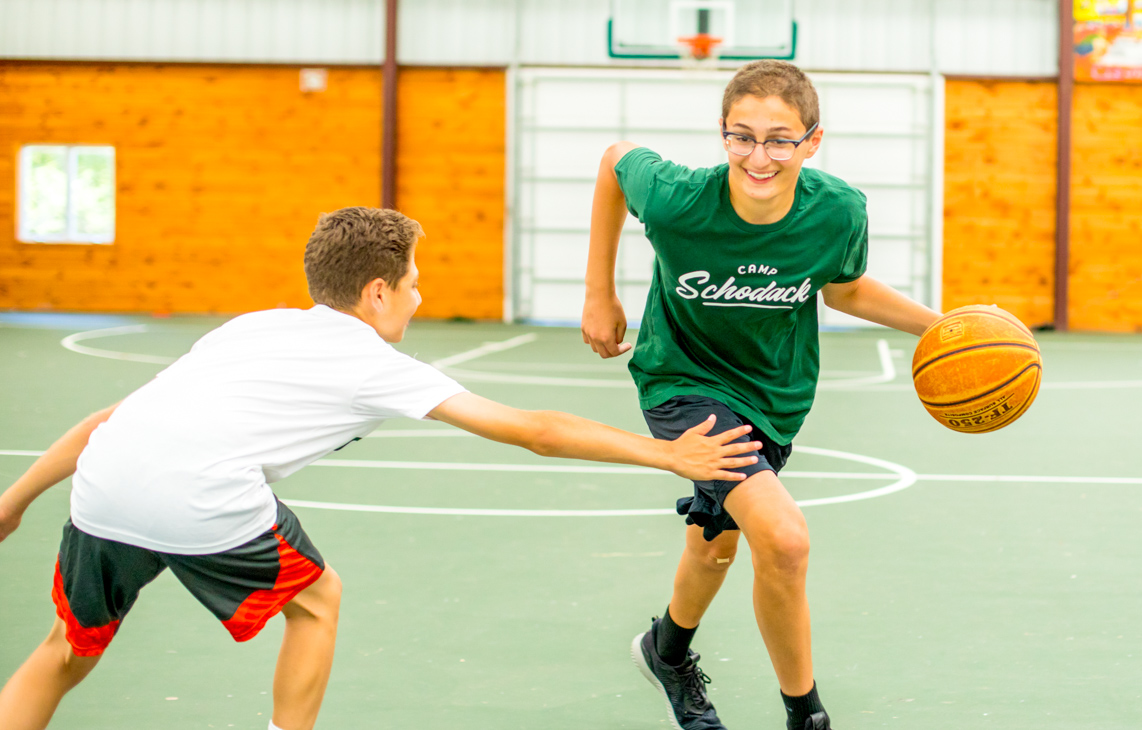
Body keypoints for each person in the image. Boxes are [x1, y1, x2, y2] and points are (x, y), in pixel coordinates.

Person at [0, 206, 762, 730]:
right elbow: (531, 430)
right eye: (412, 282)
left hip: (104, 481)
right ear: (376, 292)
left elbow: (109, 421)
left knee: (65, 647)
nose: (417, 294)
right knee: (318, 600)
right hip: (199, 496)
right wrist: (664, 452)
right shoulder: (372, 361)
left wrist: (15, 501)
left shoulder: (255, 325)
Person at [581, 60, 943, 730]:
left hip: (773, 395)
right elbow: (613, 161)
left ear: (812, 141)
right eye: (741, 136)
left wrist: (942, 324)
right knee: (783, 538)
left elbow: (844, 288)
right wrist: (599, 291)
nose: (759, 155)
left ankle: (666, 652)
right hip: (682, 382)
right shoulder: (676, 198)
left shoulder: (836, 212)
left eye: (780, 139)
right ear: (722, 136)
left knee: (715, 543)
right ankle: (806, 713)